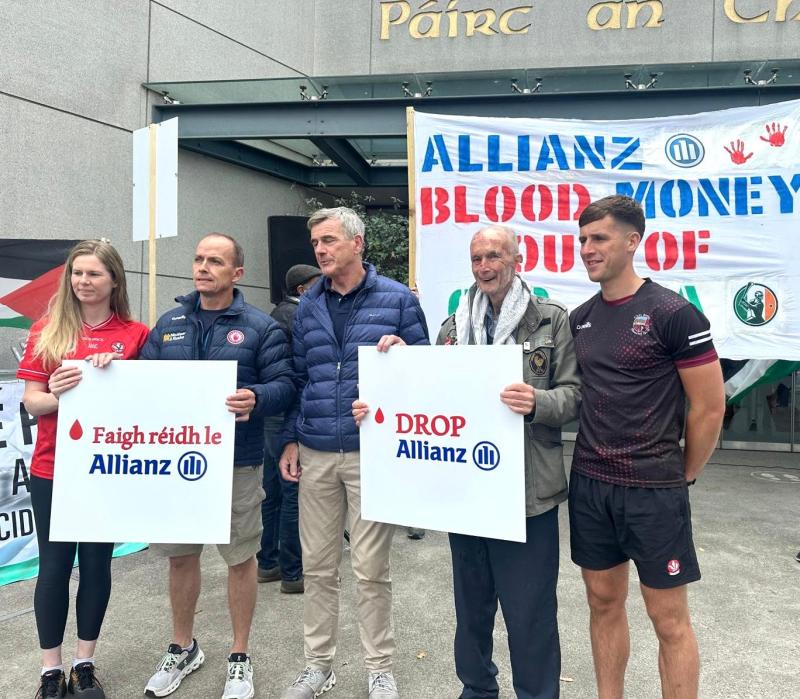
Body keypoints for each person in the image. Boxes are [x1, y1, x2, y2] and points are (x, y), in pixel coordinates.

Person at [356, 224, 581, 698]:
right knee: (472, 609)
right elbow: (430, 395)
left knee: (531, 613)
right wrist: (393, 378)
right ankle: (476, 690)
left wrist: (538, 402)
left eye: (494, 256)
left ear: (517, 260)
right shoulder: (453, 328)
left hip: (527, 495)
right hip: (466, 494)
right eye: (477, 258)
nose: (484, 267)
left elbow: (577, 396)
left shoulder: (551, 321)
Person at [569, 195, 725, 699]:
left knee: (668, 619)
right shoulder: (580, 318)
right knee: (601, 603)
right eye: (583, 239)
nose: (587, 248)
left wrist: (684, 473)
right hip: (590, 484)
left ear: (633, 241)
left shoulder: (673, 313)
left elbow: (709, 408)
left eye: (599, 238)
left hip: (653, 490)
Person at [278, 207, 429, 699]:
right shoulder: (308, 304)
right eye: (316, 243)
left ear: (357, 242)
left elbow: (427, 373)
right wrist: (290, 438)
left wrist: (405, 354)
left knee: (370, 569)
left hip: (372, 453)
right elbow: (299, 377)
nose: (320, 250)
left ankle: (379, 668)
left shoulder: (397, 299)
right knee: (318, 567)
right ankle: (318, 665)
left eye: (329, 240)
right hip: (317, 450)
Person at [141, 233, 295, 699]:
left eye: (215, 261)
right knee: (181, 556)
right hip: (176, 462)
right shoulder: (169, 324)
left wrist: (257, 397)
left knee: (240, 559)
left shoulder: (261, 327)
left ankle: (239, 655)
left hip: (236, 463)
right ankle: (183, 647)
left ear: (237, 273)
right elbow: (142, 381)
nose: (203, 267)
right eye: (198, 259)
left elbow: (286, 385)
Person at [17, 239, 150, 699]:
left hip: (107, 469)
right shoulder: (47, 330)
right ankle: (50, 671)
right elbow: (32, 402)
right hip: (53, 468)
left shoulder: (136, 334)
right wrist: (61, 392)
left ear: (114, 279)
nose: (83, 281)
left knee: (96, 565)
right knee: (54, 566)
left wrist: (115, 376)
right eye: (77, 273)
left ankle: (83, 665)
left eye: (93, 273)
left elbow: (149, 402)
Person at [258, 263, 321, 593]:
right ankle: (293, 572)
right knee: (293, 494)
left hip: (271, 414)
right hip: (287, 415)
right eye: (316, 283)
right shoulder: (298, 316)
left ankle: (268, 562)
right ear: (302, 289)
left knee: (272, 491)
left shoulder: (275, 314)